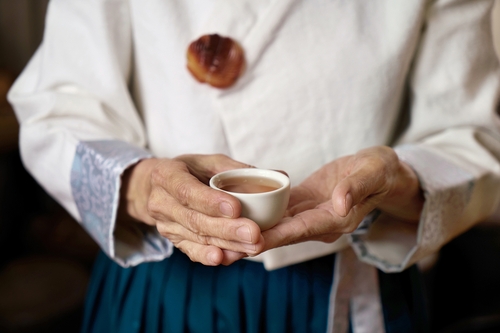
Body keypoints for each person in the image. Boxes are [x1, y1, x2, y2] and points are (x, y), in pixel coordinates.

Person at [8, 0, 500, 332]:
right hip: (163, 276)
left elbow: (470, 138)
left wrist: (397, 179)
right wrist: (142, 185)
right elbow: (58, 105)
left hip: (352, 283)